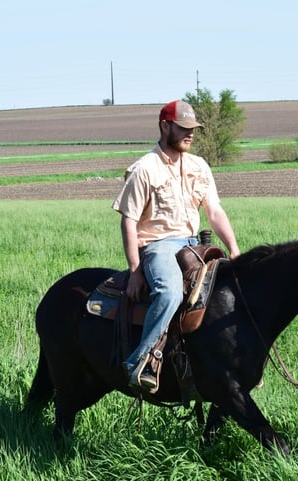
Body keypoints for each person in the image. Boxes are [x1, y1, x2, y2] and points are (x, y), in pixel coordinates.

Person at [111, 100, 241, 392]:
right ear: (165, 126)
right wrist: (135, 270)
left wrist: (234, 248)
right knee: (169, 293)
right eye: (183, 128)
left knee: (229, 292)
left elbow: (215, 212)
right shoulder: (144, 169)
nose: (190, 134)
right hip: (158, 247)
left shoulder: (199, 166)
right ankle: (141, 362)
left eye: (192, 129)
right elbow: (129, 222)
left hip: (194, 245)